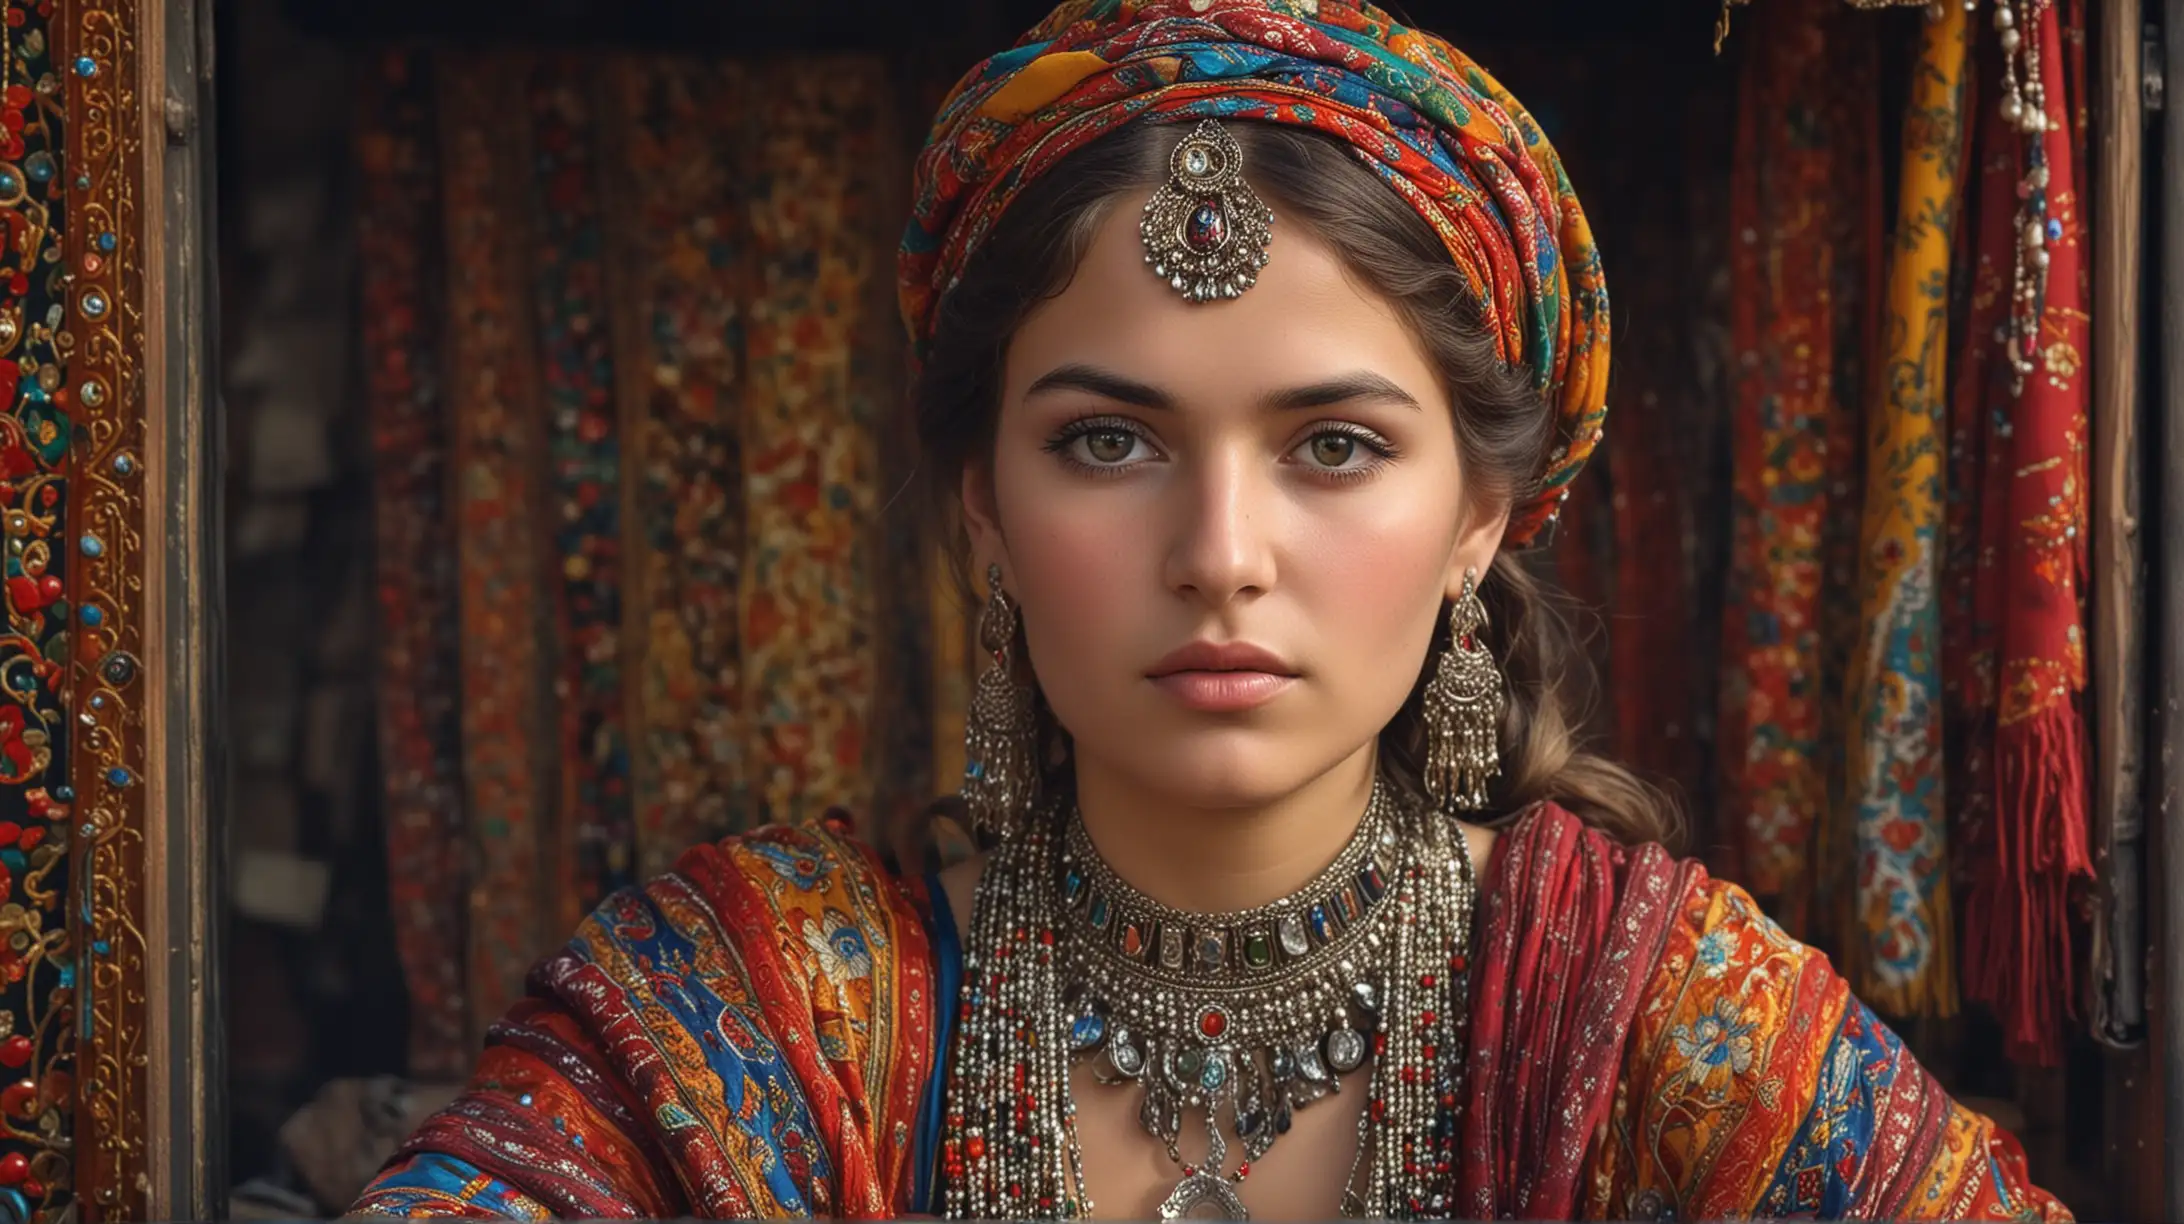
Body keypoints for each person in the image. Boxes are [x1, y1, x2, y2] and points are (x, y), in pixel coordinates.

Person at [350, 1, 2072, 1218]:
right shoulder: (764, 1013)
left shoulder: (1659, 1019)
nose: (1221, 549)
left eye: (1332, 444)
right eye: (1109, 441)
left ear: (1484, 517)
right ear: (984, 517)